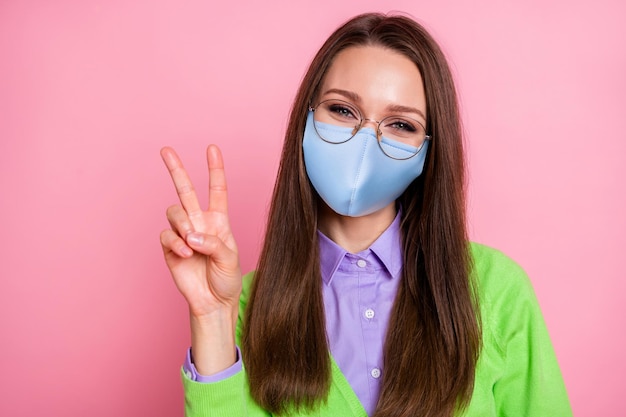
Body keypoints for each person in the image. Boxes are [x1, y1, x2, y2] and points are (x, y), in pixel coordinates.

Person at [160, 12, 572, 417]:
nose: (364, 141)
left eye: (400, 124)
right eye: (342, 111)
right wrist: (213, 318)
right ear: (305, 120)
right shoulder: (242, 305)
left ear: (429, 152)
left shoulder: (497, 291)